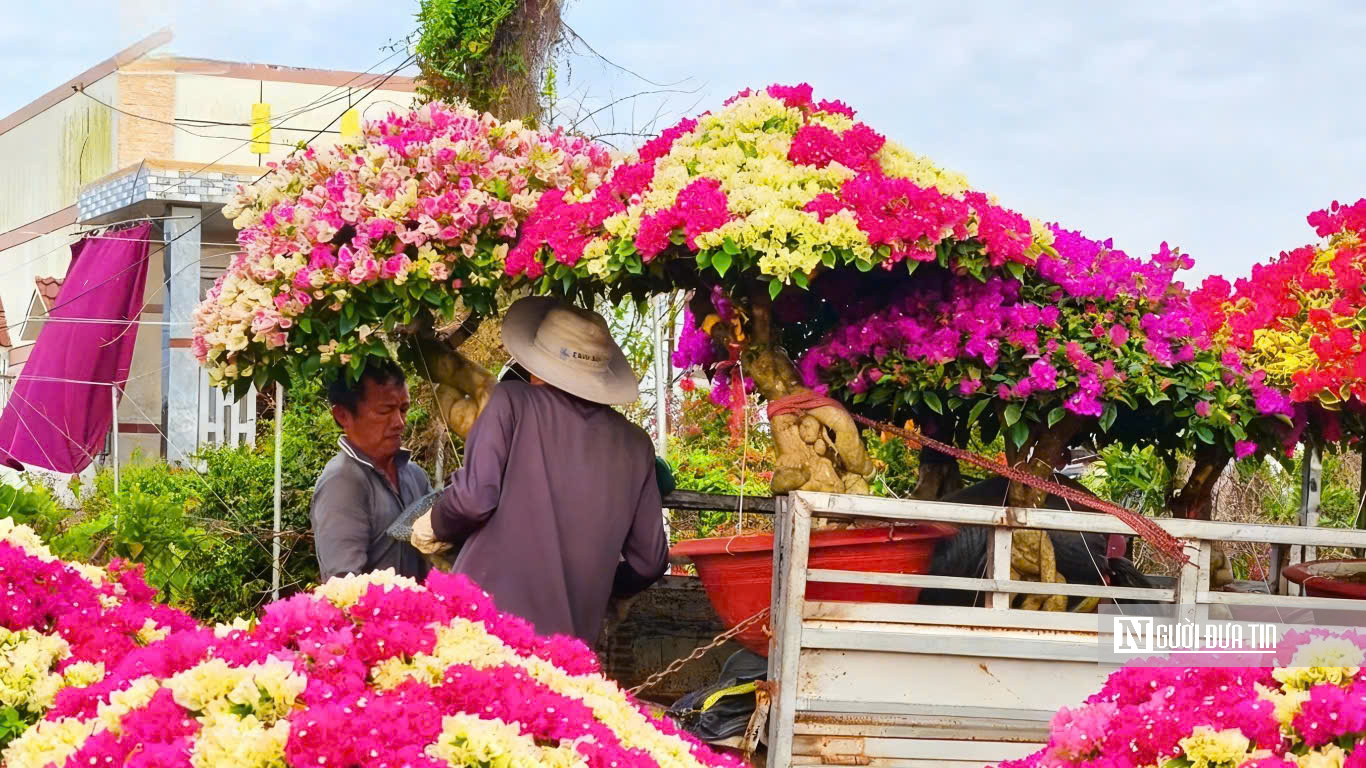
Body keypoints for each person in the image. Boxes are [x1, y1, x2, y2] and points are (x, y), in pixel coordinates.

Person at [420, 297, 669, 643]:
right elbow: (651, 562)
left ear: (536, 364)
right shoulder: (636, 444)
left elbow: (473, 500)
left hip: (481, 627)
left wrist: (433, 523)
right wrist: (597, 584)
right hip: (569, 643)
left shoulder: (510, 402)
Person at [310, 360, 432, 582]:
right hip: (374, 616)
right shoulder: (342, 483)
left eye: (404, 409)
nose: (399, 422)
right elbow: (344, 586)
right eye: (385, 411)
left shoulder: (415, 476)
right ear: (343, 415)